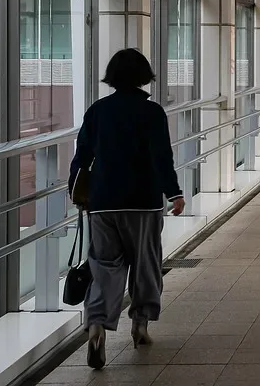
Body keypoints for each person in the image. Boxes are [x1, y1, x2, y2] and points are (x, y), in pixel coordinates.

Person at [69, 48, 185, 370]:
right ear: (144, 76)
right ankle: (140, 325)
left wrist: (76, 191)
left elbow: (81, 158)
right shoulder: (152, 113)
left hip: (103, 203)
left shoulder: (97, 111)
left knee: (104, 267)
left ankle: (96, 326)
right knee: (145, 263)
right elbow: (162, 157)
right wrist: (173, 192)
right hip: (142, 203)